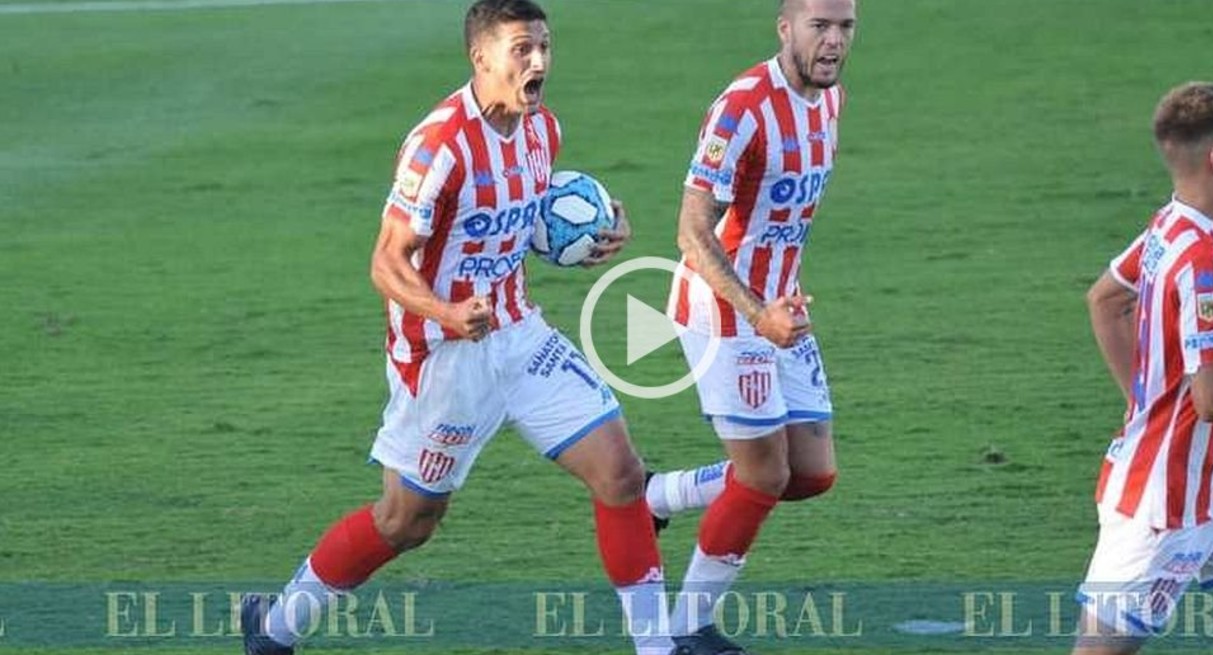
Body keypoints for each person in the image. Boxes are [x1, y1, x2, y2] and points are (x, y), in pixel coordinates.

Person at [240, 2, 673, 653]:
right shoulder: (439, 146)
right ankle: (275, 627)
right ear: (482, 58)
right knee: (407, 520)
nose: (539, 62)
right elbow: (386, 261)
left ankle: (658, 646)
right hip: (442, 354)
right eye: (523, 48)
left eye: (545, 48)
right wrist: (445, 312)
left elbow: (521, 215)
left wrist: (596, 227)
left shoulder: (541, 131)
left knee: (620, 473)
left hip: (520, 334)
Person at [662, 0, 856, 652]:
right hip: (725, 311)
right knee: (765, 476)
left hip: (780, 308)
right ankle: (688, 629)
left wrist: (779, 302)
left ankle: (658, 494)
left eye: (845, 27)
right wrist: (755, 312)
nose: (833, 42)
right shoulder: (742, 107)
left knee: (811, 472)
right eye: (819, 26)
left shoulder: (831, 101)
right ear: (785, 28)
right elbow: (691, 230)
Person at [1077, 82, 1213, 655]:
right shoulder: (1204, 262)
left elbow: (1104, 299)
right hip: (1160, 510)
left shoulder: (1167, 226)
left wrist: (1146, 403)